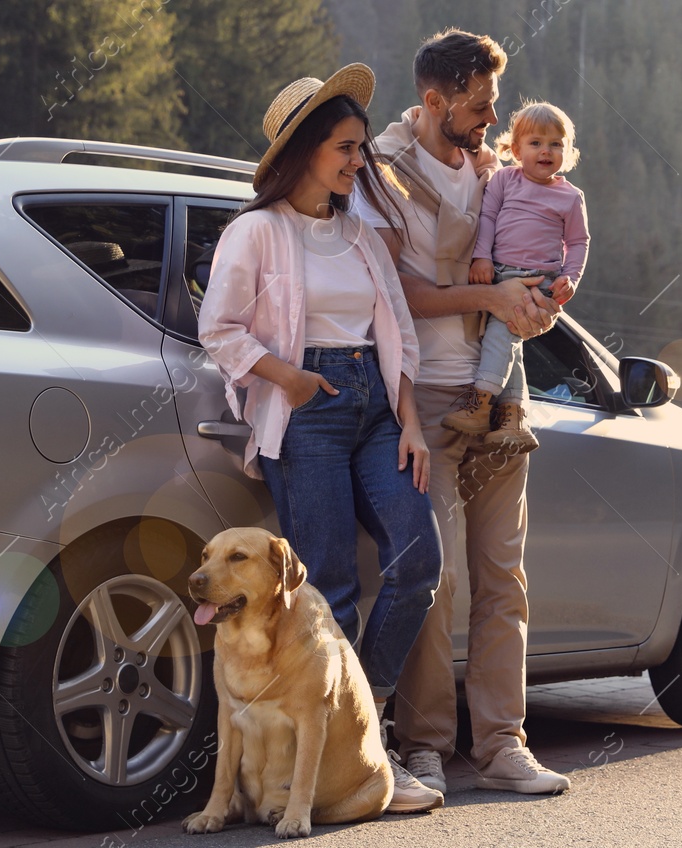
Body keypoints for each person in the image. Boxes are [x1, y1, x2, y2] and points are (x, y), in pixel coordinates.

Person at [198, 63, 444, 814]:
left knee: (416, 563)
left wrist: (409, 420)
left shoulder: (364, 237)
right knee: (327, 585)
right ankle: (359, 758)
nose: (357, 162)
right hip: (306, 408)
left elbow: (398, 330)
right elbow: (218, 327)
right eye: (344, 147)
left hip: (376, 405)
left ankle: (356, 733)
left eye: (362, 149)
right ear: (305, 150)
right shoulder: (256, 232)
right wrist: (291, 378)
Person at [350, 28, 571, 796]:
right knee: (431, 577)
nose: (492, 117)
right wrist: (490, 295)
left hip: (500, 398)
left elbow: (532, 250)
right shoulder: (382, 171)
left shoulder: (496, 170)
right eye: (479, 105)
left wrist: (539, 300)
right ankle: (422, 747)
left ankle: (504, 744)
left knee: (503, 577)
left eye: (495, 104)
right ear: (434, 100)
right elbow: (392, 290)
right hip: (425, 397)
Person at [445, 100, 589, 453]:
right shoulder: (504, 181)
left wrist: (570, 277)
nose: (546, 151)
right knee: (511, 346)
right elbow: (488, 219)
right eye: (536, 143)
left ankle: (480, 404)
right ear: (515, 149)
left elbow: (578, 241)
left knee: (500, 335)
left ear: (567, 152)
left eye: (556, 144)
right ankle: (513, 417)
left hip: (537, 281)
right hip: (498, 275)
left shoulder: (570, 197)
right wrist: (481, 257)